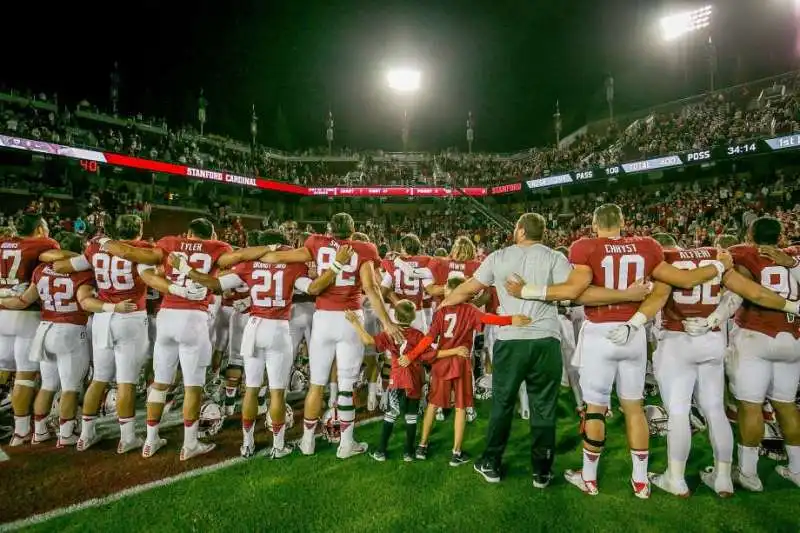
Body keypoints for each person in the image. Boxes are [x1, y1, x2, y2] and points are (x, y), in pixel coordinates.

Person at [506, 204, 734, 498]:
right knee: (634, 408)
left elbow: (573, 290)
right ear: (623, 222)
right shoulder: (647, 245)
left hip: (601, 333)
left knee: (596, 409)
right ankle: (641, 482)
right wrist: (719, 266)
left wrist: (526, 291)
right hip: (633, 332)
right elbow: (686, 280)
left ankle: (589, 478)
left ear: (593, 224)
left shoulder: (585, 246)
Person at [441, 213, 647, 488]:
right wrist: (626, 295)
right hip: (545, 339)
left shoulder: (499, 256)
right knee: (543, 407)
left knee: (502, 405)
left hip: (511, 339)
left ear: (521, 231)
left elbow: (466, 290)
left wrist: (443, 308)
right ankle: (541, 471)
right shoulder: (554, 257)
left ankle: (491, 462)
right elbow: (572, 293)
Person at [227, 212, 403, 459]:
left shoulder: (316, 243)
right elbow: (372, 289)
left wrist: (256, 255)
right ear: (353, 231)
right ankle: (346, 444)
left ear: (330, 230)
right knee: (345, 385)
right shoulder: (364, 248)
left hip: (322, 318)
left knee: (316, 384)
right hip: (350, 318)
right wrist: (387, 322)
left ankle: (307, 442)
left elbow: (275, 257)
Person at [180, 231, 351, 458]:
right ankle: (278, 446)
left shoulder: (249, 265)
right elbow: (313, 289)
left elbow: (214, 283)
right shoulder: (292, 266)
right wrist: (336, 266)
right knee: (277, 392)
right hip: (278, 329)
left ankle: (247, 444)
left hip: (254, 325)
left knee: (251, 389)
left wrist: (185, 270)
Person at [98, 217, 231, 460]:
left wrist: (105, 242)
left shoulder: (170, 243)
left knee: (160, 383)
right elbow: (230, 272)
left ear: (188, 233)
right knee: (193, 386)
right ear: (211, 235)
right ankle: (189, 444)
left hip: (167, 317)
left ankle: (150, 440)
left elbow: (132, 254)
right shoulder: (218, 247)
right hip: (194, 318)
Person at [53, 215, 184, 454]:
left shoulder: (96, 248)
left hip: (102, 316)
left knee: (99, 378)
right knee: (127, 381)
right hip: (131, 315)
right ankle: (127, 438)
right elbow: (149, 275)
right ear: (140, 229)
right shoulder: (141, 249)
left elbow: (63, 267)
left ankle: (85, 435)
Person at [402, 277, 531, 467]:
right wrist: (511, 319)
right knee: (460, 407)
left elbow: (428, 339)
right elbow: (490, 319)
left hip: (441, 363)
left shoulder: (441, 310)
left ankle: (422, 446)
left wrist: (411, 355)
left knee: (433, 405)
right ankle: (456, 453)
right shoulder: (469, 310)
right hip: (460, 364)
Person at [727, 218, 800, 490]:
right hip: (792, 337)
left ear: (750, 233)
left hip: (755, 333)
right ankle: (797, 469)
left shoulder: (744, 252)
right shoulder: (793, 255)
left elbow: (740, 285)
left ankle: (748, 473)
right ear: (781, 236)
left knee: (750, 405)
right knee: (786, 404)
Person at [346, 302, 469, 462]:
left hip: (397, 380)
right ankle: (409, 453)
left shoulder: (390, 333)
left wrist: (355, 322)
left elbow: (368, 341)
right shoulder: (418, 335)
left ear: (395, 316)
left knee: (390, 415)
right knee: (411, 417)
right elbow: (434, 354)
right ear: (413, 317)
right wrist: (456, 350)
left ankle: (381, 451)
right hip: (414, 380)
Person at [0, 214, 61, 446]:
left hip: (2, 311)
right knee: (25, 376)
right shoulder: (43, 243)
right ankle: (21, 430)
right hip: (26, 314)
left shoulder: (3, 241)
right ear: (39, 229)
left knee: (3, 371)